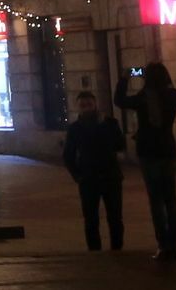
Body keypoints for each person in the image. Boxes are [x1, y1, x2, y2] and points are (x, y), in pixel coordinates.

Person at [115, 63, 176, 259]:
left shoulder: (144, 98)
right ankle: (174, 244)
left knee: (156, 199)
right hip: (167, 149)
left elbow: (119, 100)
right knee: (171, 199)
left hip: (148, 151)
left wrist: (125, 78)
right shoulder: (174, 95)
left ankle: (162, 244)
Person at [63, 90, 126, 252]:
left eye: (89, 105)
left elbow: (120, 144)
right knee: (91, 218)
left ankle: (117, 248)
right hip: (88, 178)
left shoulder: (110, 123)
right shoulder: (75, 128)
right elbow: (68, 155)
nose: (87, 109)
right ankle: (94, 251)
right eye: (83, 106)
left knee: (115, 217)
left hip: (110, 176)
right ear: (78, 108)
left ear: (95, 104)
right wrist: (78, 176)